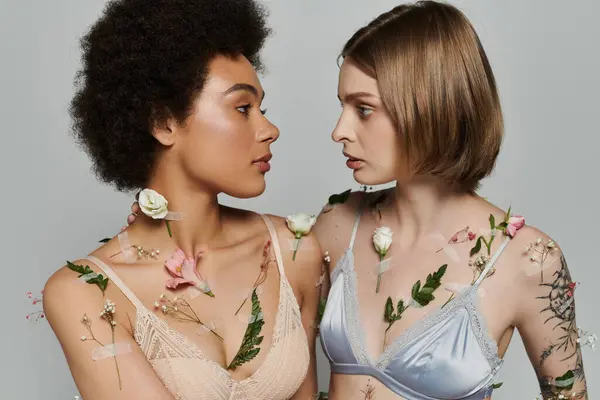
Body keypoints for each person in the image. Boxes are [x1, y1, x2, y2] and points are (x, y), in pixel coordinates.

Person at [42, 1, 321, 399]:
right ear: (164, 123)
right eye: (243, 108)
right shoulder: (86, 291)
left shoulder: (293, 251)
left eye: (263, 108)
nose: (270, 129)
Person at [315, 1, 588, 399]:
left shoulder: (528, 260)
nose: (339, 131)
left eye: (364, 109)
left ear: (427, 105)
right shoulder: (338, 224)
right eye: (342, 106)